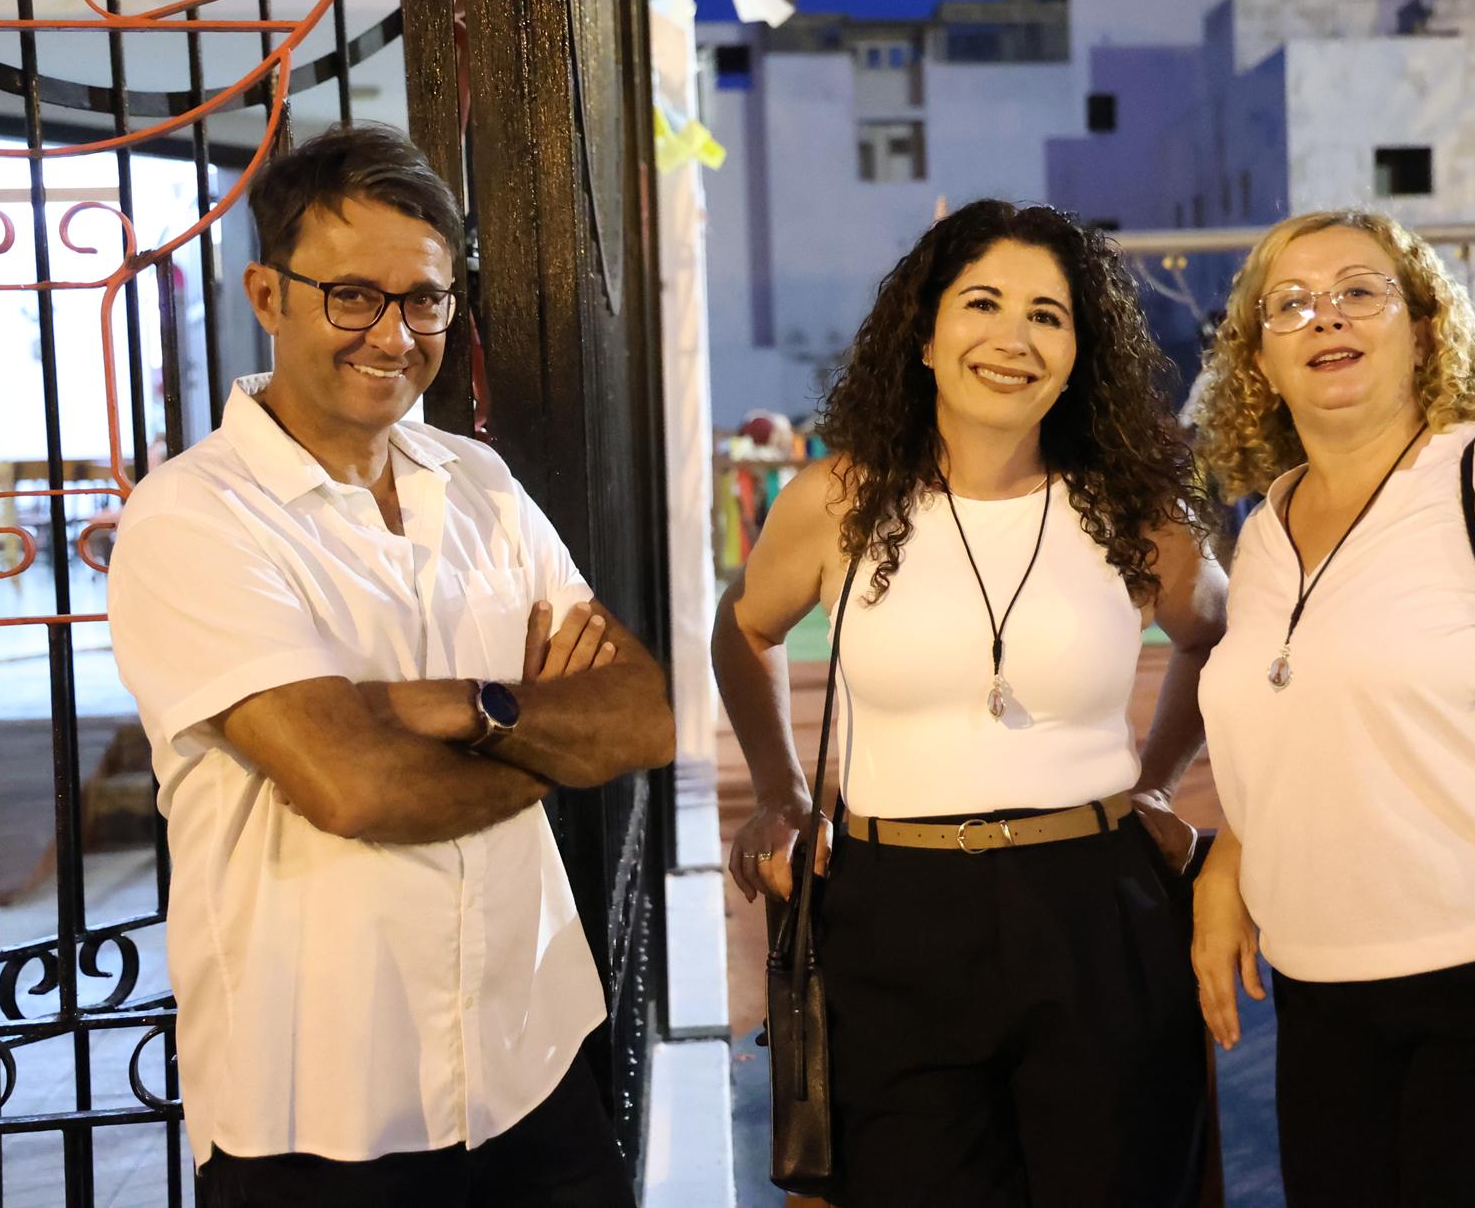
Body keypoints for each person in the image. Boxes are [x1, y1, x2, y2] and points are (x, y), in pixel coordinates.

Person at [107, 123, 674, 1206]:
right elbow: (355, 787)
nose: (394, 333)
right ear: (267, 296)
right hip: (321, 1103)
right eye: (352, 296)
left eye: (424, 300)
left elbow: (641, 715)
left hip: (530, 1054)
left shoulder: (479, 483)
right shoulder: (194, 517)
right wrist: (546, 741)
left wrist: (457, 706)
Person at [715, 200, 1226, 1207]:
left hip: (1095, 907)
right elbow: (744, 628)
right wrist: (779, 790)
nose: (1012, 337)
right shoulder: (839, 498)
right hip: (891, 908)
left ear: (1078, 354)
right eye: (982, 302)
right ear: (923, 332)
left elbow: (1219, 635)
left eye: (1047, 314)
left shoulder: (1133, 510)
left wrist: (1159, 780)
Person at [1188, 209, 1475, 1207]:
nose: (1327, 317)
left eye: (1360, 291)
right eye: (1290, 304)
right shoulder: (1266, 528)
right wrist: (1231, 857)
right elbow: (1299, 715)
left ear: (1423, 329)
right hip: (1318, 1000)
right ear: (1258, 363)